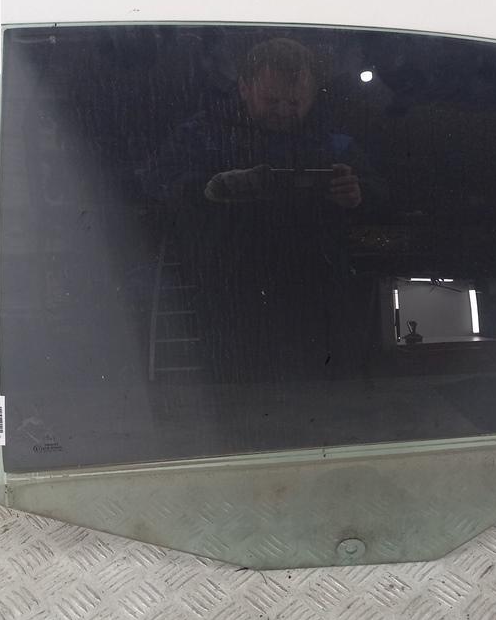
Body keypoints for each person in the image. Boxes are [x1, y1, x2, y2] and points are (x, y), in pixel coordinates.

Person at [161, 37, 384, 384]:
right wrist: (209, 187)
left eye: (294, 102)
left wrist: (359, 194)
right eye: (271, 100)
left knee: (320, 396)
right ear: (244, 87)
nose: (282, 110)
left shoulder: (336, 144)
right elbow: (159, 184)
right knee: (235, 394)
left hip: (316, 301)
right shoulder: (202, 135)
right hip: (228, 297)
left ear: (312, 95)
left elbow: (383, 196)